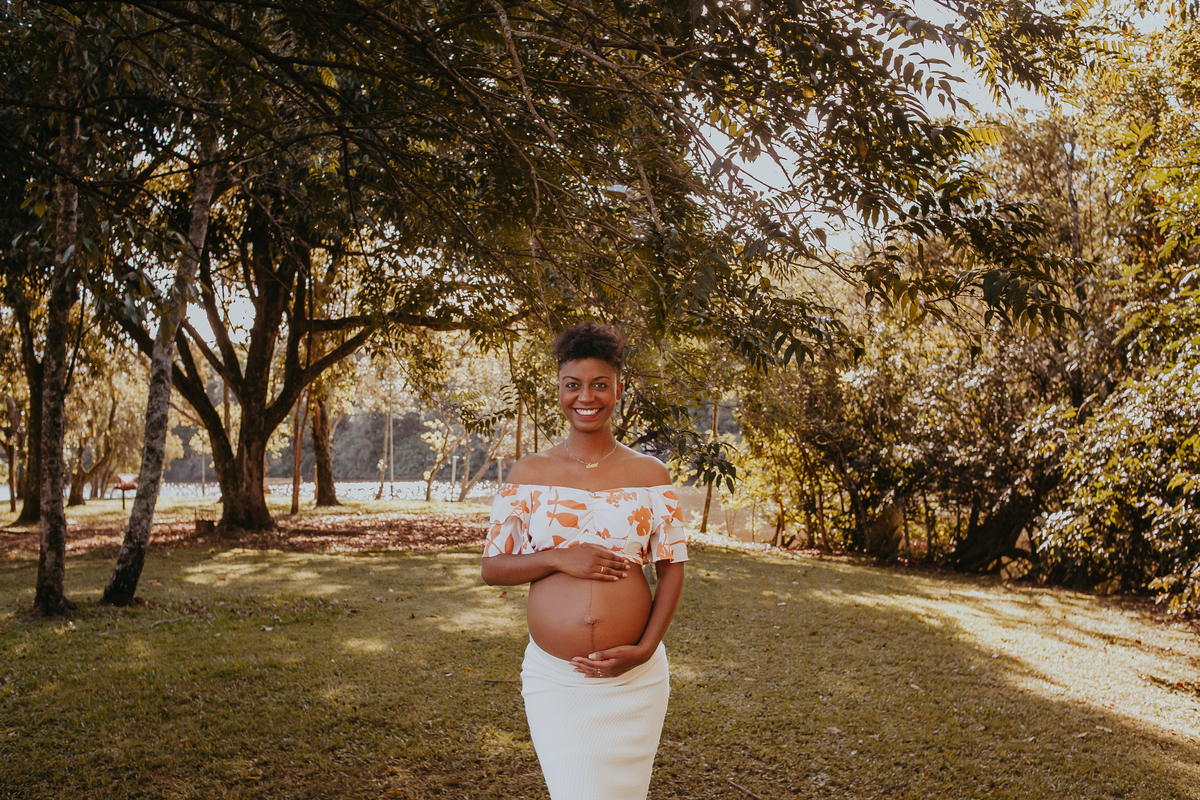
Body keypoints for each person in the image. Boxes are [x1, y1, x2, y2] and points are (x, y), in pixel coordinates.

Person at [480, 321, 687, 800]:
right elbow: (493, 568)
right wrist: (559, 558)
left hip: (635, 680)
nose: (586, 397)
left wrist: (645, 649)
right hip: (557, 680)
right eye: (573, 385)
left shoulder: (650, 474)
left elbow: (672, 569)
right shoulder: (530, 473)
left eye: (599, 384)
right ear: (559, 389)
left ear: (618, 389)